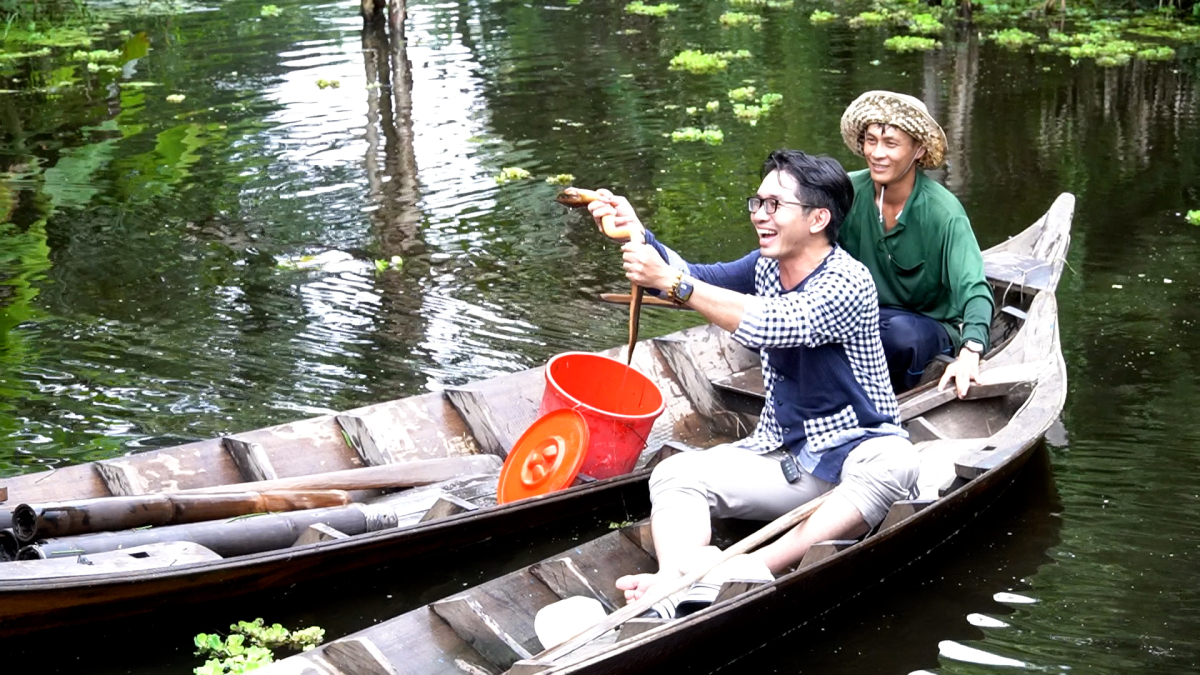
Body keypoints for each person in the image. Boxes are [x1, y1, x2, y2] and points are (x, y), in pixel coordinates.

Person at [586, 150, 919, 615]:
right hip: (790, 460)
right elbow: (693, 278)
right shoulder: (764, 266)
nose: (760, 215)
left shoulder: (848, 281)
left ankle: (744, 569)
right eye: (757, 202)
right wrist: (639, 234)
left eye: (774, 205)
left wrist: (677, 283)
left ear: (818, 218)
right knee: (675, 474)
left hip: (855, 457)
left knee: (899, 462)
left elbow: (773, 323)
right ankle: (676, 583)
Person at [838, 91, 994, 397]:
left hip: (924, 327)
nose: (877, 153)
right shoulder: (845, 191)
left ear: (918, 149)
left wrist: (970, 351)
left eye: (890, 143)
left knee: (900, 336)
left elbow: (975, 289)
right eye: (871, 141)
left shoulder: (943, 213)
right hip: (862, 316)